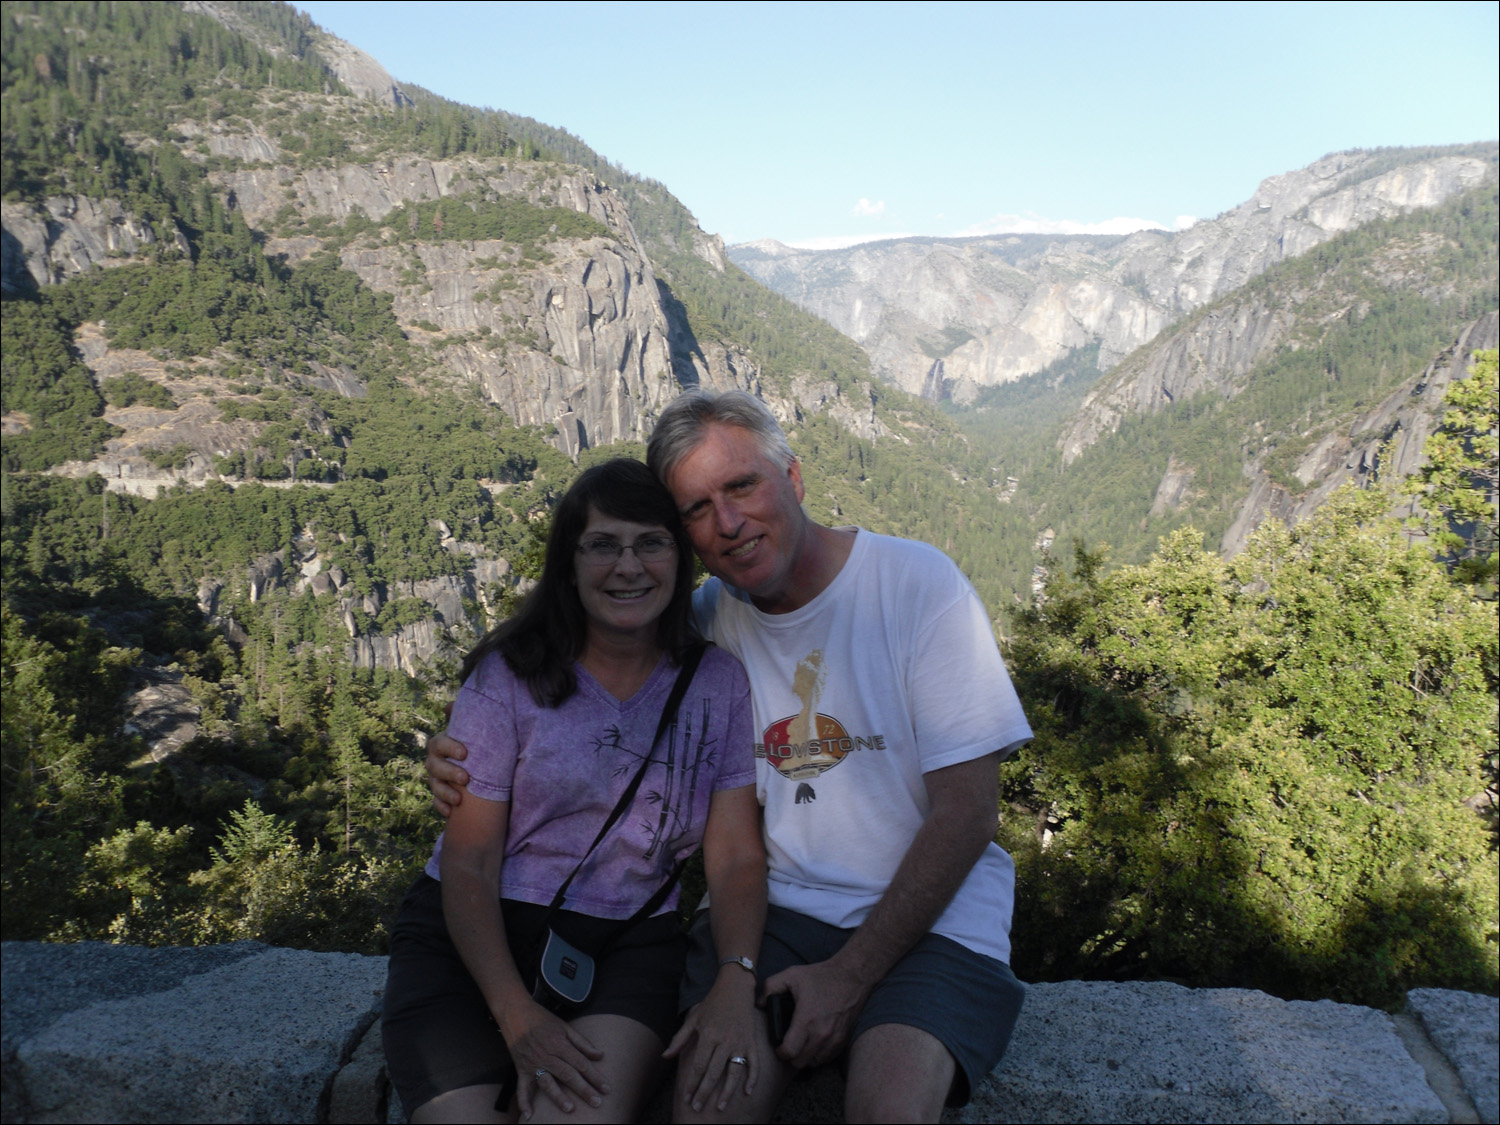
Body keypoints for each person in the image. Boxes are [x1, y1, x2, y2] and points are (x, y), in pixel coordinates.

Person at [428, 393, 1032, 1123]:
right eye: (697, 508)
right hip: (777, 916)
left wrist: (849, 976)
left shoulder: (916, 587)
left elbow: (969, 813)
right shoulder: (706, 622)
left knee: (890, 1109)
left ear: (794, 478)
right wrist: (465, 748)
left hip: (938, 917)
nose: (729, 522)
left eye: (742, 486)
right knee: (708, 1107)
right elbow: (577, 668)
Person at [384, 458, 766, 1124]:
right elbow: (470, 859)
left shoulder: (717, 685)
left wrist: (736, 977)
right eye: (603, 545)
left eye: (651, 542)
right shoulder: (508, 679)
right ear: (568, 563)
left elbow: (733, 855)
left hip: (626, 943)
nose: (628, 566)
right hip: (474, 932)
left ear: (679, 560)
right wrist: (515, 1013)